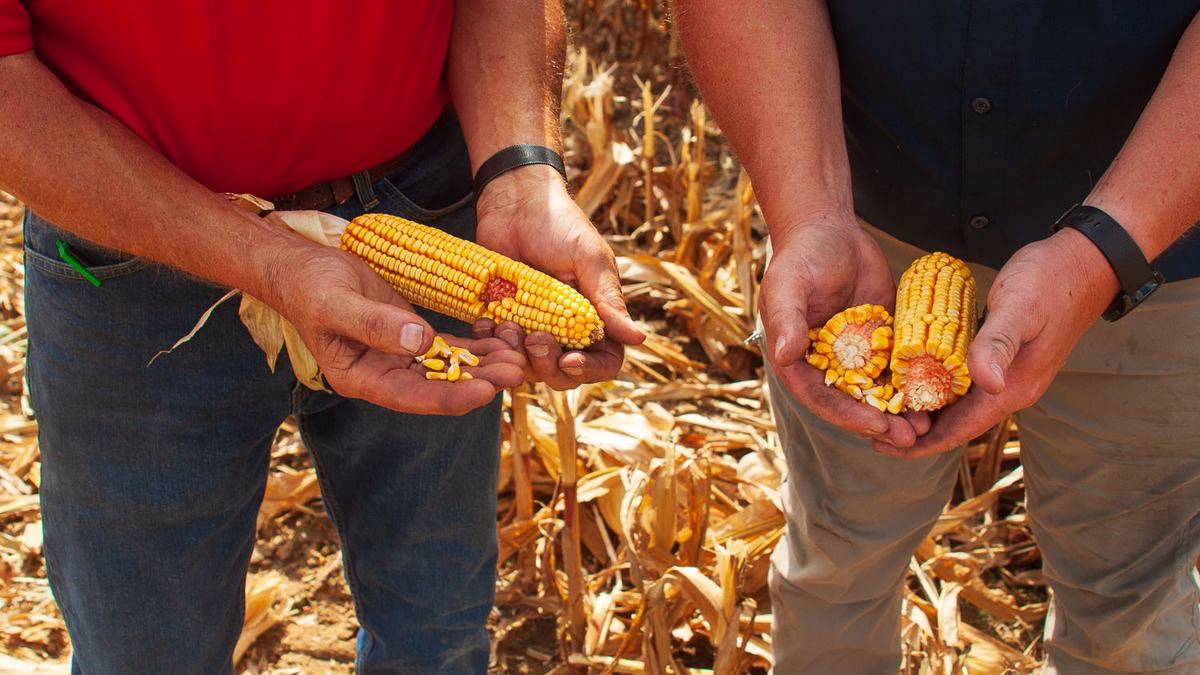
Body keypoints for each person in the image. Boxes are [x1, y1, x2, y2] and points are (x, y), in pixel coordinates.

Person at [0, 1, 644, 672]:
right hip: (131, 242)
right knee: (147, 652)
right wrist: (272, 263)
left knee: (438, 619)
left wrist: (521, 171)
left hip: (422, 195)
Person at [676, 1, 1200, 672]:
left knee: (1128, 610)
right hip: (868, 231)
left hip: (1161, 243)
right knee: (837, 555)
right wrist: (810, 211)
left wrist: (1106, 252)